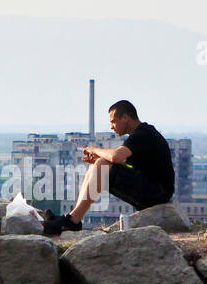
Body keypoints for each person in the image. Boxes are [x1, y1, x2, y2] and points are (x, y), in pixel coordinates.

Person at [43, 99, 174, 234]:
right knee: (97, 165)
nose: (111, 126)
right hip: (152, 189)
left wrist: (94, 150)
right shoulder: (141, 133)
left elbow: (116, 156)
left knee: (101, 164)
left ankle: (72, 221)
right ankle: (71, 218)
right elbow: (126, 163)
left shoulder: (143, 134)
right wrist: (100, 160)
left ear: (125, 118)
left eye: (113, 121)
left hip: (158, 193)